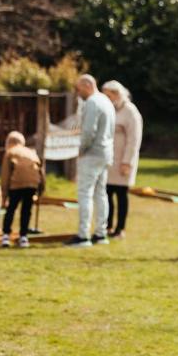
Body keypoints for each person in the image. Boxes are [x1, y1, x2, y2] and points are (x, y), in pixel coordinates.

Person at [66, 74, 116, 248]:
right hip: (105, 153)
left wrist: (81, 150)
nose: (78, 93)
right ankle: (100, 234)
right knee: (100, 194)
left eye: (79, 88)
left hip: (92, 153)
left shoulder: (93, 102)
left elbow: (88, 131)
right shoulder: (106, 101)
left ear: (87, 85)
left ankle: (83, 236)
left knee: (85, 194)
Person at [102, 80, 143, 239]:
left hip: (123, 160)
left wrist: (127, 162)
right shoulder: (109, 109)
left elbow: (134, 139)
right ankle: (107, 226)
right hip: (108, 160)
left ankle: (120, 229)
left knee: (121, 194)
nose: (107, 98)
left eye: (109, 95)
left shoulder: (130, 111)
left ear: (117, 94)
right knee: (106, 193)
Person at [0, 131, 45, 249]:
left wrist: (4, 196)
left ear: (9, 142)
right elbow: (41, 172)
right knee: (26, 210)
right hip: (32, 183)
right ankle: (24, 236)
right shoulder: (31, 153)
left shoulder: (10, 152)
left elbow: (5, 175)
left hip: (16, 183)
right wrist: (40, 190)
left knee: (11, 209)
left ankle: (5, 236)